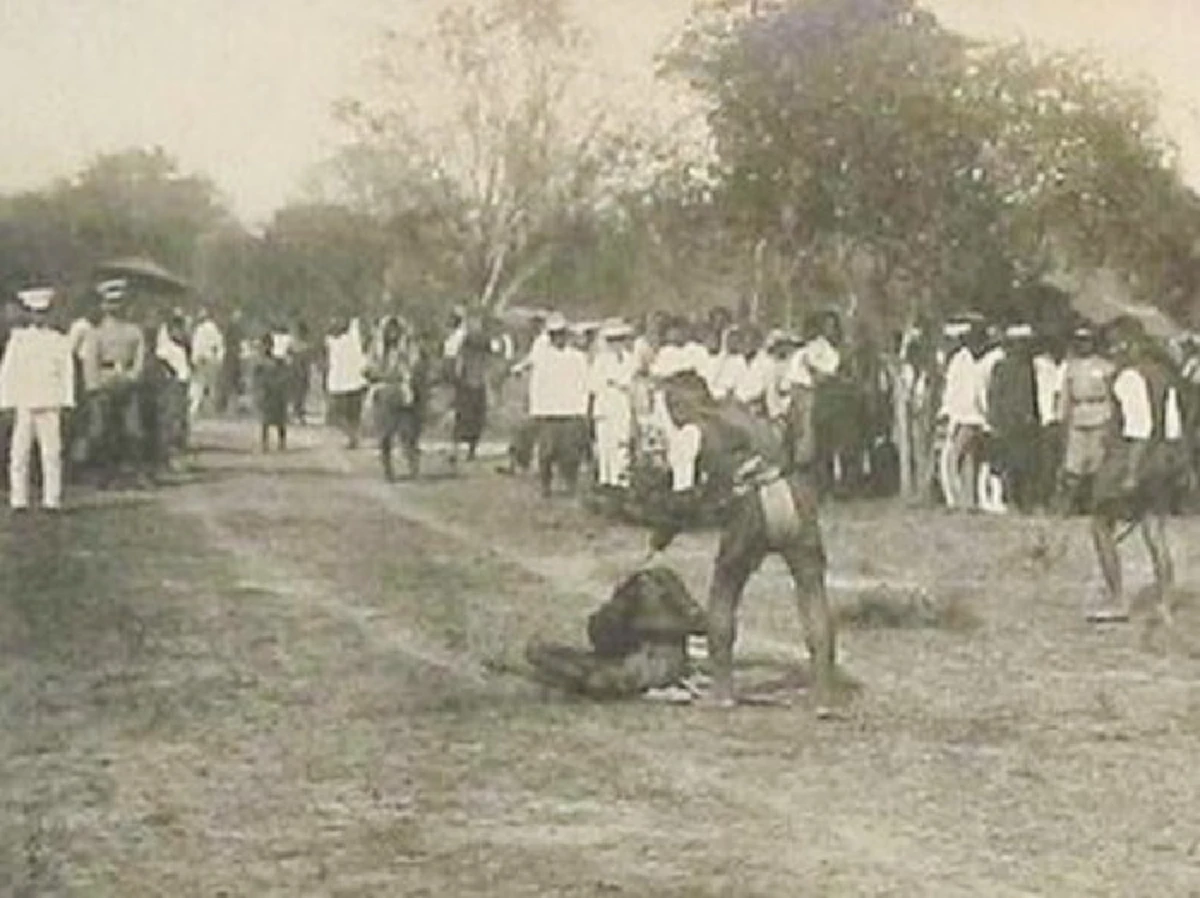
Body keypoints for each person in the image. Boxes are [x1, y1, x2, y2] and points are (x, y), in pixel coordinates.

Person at [647, 371, 838, 713]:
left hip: (751, 506)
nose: (670, 416)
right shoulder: (741, 413)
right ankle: (823, 694)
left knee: (724, 592)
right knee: (812, 591)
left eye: (670, 406)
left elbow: (682, 500)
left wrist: (662, 535)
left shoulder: (691, 433)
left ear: (680, 404)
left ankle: (722, 690)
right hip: (793, 494)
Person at [1087, 317, 1189, 624]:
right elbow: (1173, 430)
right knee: (1154, 530)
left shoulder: (1128, 377)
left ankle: (1116, 598)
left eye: (1114, 345)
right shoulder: (1165, 377)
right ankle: (1166, 602)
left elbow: (1139, 428)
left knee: (1100, 525)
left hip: (1130, 460)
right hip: (1162, 460)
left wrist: (1131, 473)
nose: (1112, 351)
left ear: (1127, 344)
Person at [525, 566, 708, 700]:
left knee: (593, 676)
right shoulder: (652, 592)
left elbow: (699, 625)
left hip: (647, 661)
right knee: (547, 653)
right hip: (643, 656)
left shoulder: (654, 596)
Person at [0, 287, 75, 511]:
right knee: (19, 453)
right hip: (24, 401)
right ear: (29, 314)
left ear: (49, 314)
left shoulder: (59, 340)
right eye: (34, 313)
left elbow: (66, 372)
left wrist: (66, 400)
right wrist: (6, 403)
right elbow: (9, 372)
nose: (39, 317)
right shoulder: (19, 339)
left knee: (51, 453)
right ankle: (19, 499)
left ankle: (52, 500)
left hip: (50, 401)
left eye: (43, 313)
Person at [81, 278, 149, 488]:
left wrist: (133, 376)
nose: (114, 307)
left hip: (127, 383)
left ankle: (136, 473)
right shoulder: (96, 333)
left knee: (133, 431)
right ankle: (103, 472)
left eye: (119, 302)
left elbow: (140, 357)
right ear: (103, 305)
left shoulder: (134, 331)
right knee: (100, 431)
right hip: (104, 382)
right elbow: (90, 361)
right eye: (110, 303)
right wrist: (94, 385)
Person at [528, 313, 590, 497]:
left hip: (571, 410)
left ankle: (570, 484)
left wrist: (583, 409)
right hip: (548, 411)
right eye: (555, 335)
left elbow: (584, 383)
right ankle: (545, 485)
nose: (559, 338)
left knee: (571, 452)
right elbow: (537, 384)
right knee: (546, 451)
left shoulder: (578, 357)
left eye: (562, 334)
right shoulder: (543, 357)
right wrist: (536, 410)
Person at [1057, 324, 1116, 514]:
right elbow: (1066, 394)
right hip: (1078, 414)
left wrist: (1111, 418)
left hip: (1099, 412)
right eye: (1080, 341)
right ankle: (1069, 505)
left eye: (1087, 341)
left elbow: (1111, 394)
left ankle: (1095, 505)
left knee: (1096, 463)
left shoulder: (1105, 366)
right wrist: (1062, 416)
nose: (1083, 345)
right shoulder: (1071, 367)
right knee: (1074, 463)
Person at [986, 324, 1041, 513]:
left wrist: (1033, 417)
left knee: (1026, 464)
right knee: (1009, 465)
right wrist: (995, 420)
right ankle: (1010, 500)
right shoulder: (1001, 367)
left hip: (1025, 424)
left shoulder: (1028, 367)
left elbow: (1031, 396)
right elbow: (994, 395)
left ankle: (1025, 501)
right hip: (1008, 423)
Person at [366, 315, 425, 480]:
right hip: (384, 393)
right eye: (389, 330)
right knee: (385, 435)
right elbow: (370, 368)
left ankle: (414, 468)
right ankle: (387, 470)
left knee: (409, 433)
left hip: (404, 393)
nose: (392, 333)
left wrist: (406, 374)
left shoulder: (408, 347)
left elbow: (415, 365)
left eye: (395, 330)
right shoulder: (376, 348)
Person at [937, 318, 986, 510]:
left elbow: (956, 393)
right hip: (972, 417)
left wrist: (948, 415)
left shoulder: (959, 361)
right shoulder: (968, 361)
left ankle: (955, 500)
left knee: (951, 458)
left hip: (963, 417)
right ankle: (969, 500)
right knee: (968, 460)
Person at [589, 320, 637, 489]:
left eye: (620, 339)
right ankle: (605, 480)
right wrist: (613, 382)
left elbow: (631, 382)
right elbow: (594, 384)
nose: (616, 344)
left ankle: (621, 479)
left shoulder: (630, 359)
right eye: (612, 340)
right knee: (605, 444)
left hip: (622, 405)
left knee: (622, 442)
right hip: (605, 405)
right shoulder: (601, 360)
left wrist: (616, 382)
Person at [450, 312, 492, 465]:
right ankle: (463, 451)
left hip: (473, 385)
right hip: (470, 385)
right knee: (468, 419)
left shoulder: (480, 348)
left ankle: (466, 451)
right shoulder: (467, 347)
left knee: (471, 419)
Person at [325, 314, 369, 449]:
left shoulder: (353, 335)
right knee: (336, 415)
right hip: (338, 383)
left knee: (353, 413)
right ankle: (352, 435)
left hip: (355, 380)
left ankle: (354, 437)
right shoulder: (329, 340)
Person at [252, 332, 290, 451]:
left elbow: (285, 375)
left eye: (268, 345)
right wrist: (258, 391)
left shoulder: (278, 361)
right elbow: (255, 379)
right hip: (266, 393)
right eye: (264, 345)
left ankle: (282, 443)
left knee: (279, 420)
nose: (266, 348)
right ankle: (265, 443)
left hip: (276, 392)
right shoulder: (259, 363)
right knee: (265, 421)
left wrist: (281, 386)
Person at [189, 308, 225, 417]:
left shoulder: (205, 329)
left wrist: (195, 360)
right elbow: (217, 344)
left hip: (204, 359)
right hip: (206, 359)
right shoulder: (205, 329)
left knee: (202, 385)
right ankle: (203, 409)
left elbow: (216, 344)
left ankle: (200, 409)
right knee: (206, 386)